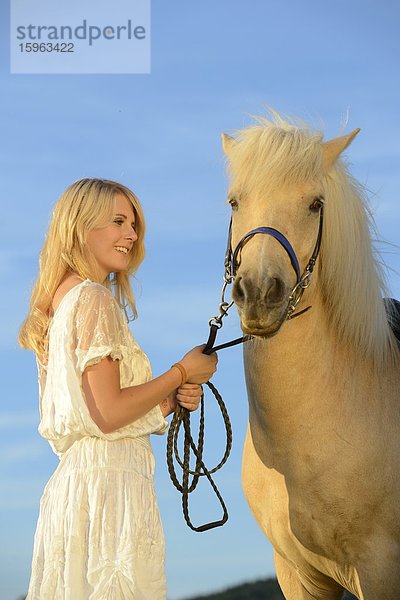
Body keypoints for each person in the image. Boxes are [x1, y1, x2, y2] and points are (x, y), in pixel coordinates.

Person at [18, 178, 218, 599]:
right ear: (80, 227)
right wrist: (181, 371)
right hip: (109, 490)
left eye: (134, 225)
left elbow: (93, 416)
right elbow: (108, 413)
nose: (132, 234)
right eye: (118, 222)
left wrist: (166, 403)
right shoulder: (93, 299)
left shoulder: (59, 304)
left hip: (77, 487)